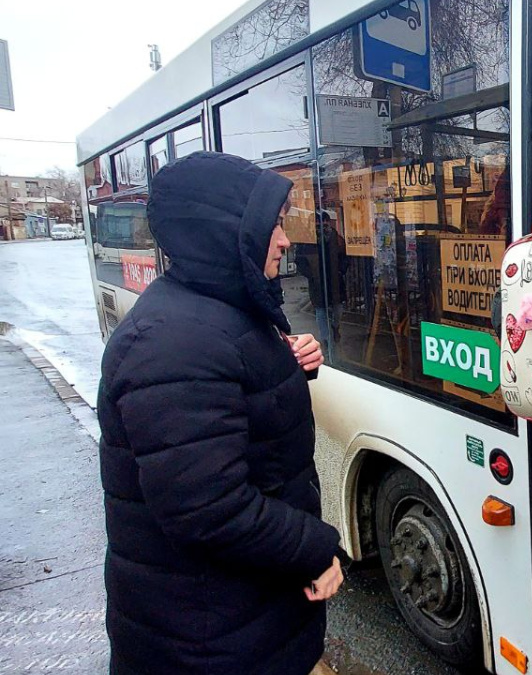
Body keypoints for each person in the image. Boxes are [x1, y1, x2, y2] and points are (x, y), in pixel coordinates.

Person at [98, 152, 344, 675]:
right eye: (272, 227)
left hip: (238, 619)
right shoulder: (171, 344)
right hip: (207, 638)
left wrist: (288, 363)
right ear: (225, 234)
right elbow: (211, 510)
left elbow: (229, 410)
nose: (284, 240)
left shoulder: (216, 314)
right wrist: (318, 549)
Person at [295, 211, 348, 348]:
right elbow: (300, 261)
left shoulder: (336, 238)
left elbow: (345, 255)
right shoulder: (307, 241)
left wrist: (341, 270)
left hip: (335, 280)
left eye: (324, 222)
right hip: (317, 281)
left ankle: (335, 326)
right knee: (320, 311)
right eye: (318, 223)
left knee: (338, 309)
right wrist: (311, 275)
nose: (322, 226)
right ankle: (325, 338)